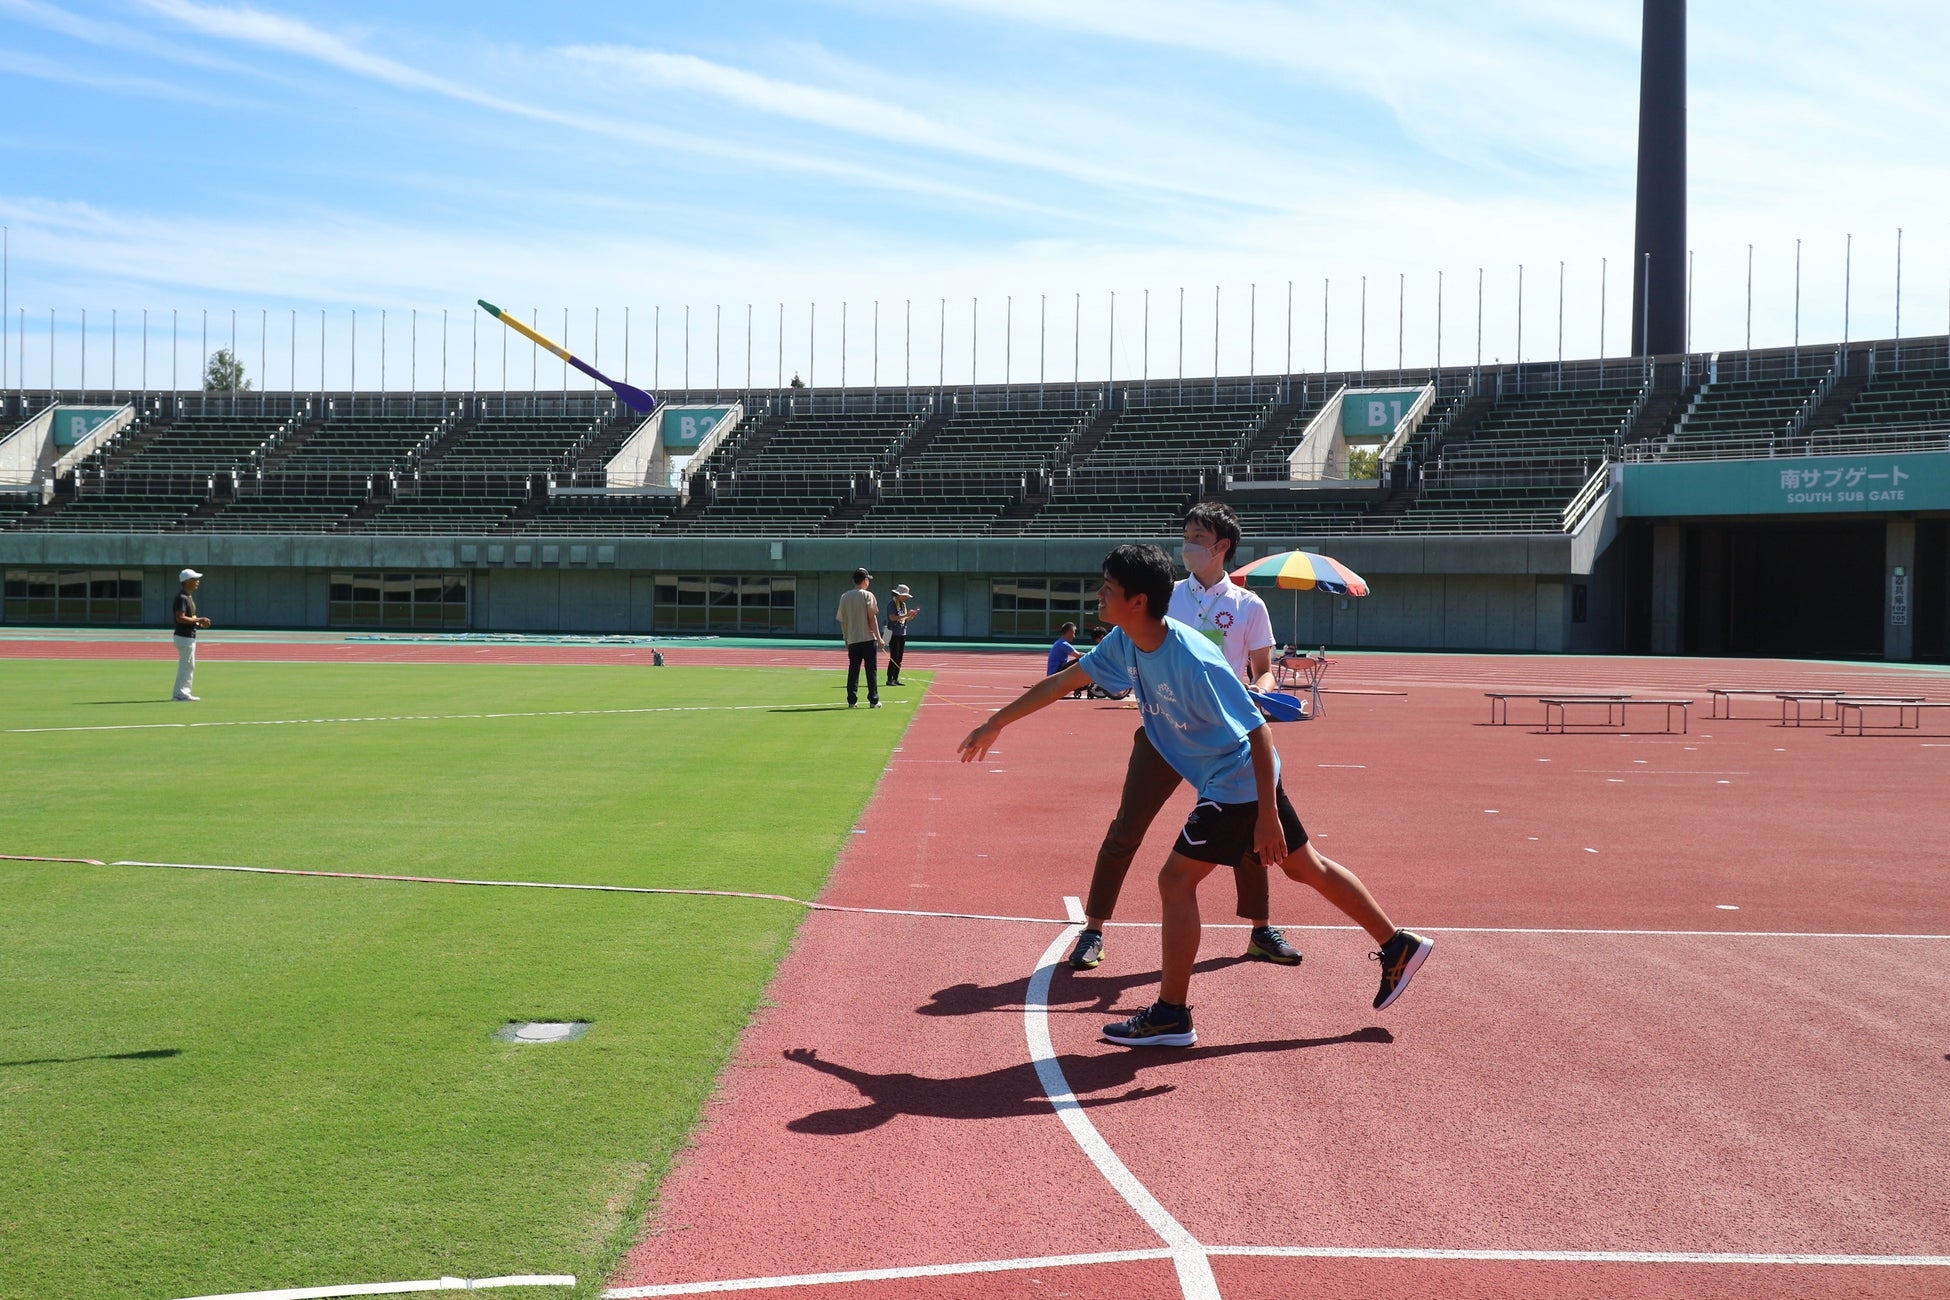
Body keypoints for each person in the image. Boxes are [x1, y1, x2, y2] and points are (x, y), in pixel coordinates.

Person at [958, 543, 1431, 1048]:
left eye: (1109, 589)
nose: (1099, 595)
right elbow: (1062, 682)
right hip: (1235, 780)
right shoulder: (1124, 642)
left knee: (1175, 880)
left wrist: (1266, 817)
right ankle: (1396, 943)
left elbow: (1260, 731)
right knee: (1304, 866)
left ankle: (1171, 1014)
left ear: (1137, 601)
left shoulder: (1192, 657)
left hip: (1237, 782)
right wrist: (996, 722)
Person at [1066, 501, 1295, 974]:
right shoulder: (1165, 595)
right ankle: (1093, 929)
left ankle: (1260, 930)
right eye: (1186, 536)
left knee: (1252, 828)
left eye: (1197, 537)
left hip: (1224, 737)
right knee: (1127, 827)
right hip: (1164, 729)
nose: (1187, 545)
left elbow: (1264, 670)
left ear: (1222, 547)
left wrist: (1260, 691)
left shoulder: (1249, 605)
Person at [835, 567, 884, 709]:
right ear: (864, 580)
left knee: (853, 670)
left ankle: (852, 700)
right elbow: (872, 618)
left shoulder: (845, 596)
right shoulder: (867, 595)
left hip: (853, 639)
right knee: (871, 670)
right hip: (868, 638)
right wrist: (880, 638)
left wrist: (846, 638)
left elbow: (843, 620)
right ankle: (873, 700)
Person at [171, 568, 211, 701]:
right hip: (184, 637)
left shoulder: (187, 597)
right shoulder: (182, 597)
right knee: (186, 665)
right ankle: (181, 694)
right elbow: (180, 618)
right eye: (195, 579)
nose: (198, 582)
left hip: (187, 636)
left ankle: (181, 693)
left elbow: (189, 618)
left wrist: (199, 624)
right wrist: (199, 620)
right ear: (187, 581)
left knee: (188, 665)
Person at [886, 584, 919, 686]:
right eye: (903, 596)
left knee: (899, 658)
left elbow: (905, 620)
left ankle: (895, 678)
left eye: (906, 596)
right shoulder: (892, 604)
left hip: (902, 633)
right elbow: (892, 617)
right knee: (894, 657)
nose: (905, 598)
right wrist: (906, 615)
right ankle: (889, 679)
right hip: (893, 633)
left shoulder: (903, 605)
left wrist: (912, 616)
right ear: (897, 594)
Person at [1046, 621, 1086, 698]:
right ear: (1069, 632)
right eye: (1073, 633)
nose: (1074, 636)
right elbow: (1078, 655)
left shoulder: (1059, 642)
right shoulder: (1063, 644)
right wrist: (1093, 656)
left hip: (1054, 672)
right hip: (1056, 672)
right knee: (1081, 660)